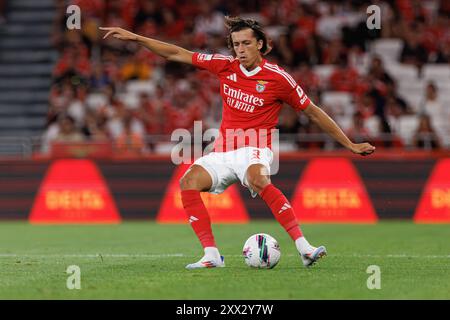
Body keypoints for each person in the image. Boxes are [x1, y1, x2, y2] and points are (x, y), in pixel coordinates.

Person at [100, 17, 375, 269]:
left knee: (258, 179)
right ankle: (211, 254)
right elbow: (177, 53)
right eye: (235, 44)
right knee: (188, 182)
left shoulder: (279, 78)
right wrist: (136, 38)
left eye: (245, 43)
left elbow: (313, 111)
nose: (240, 49)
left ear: (260, 44)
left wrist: (349, 144)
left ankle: (304, 247)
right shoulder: (225, 66)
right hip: (224, 150)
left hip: (255, 146)